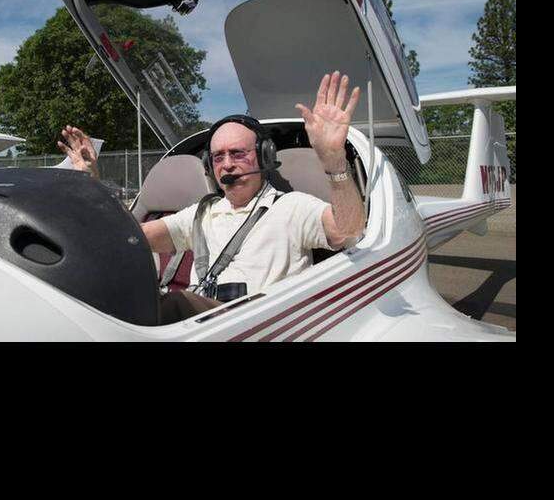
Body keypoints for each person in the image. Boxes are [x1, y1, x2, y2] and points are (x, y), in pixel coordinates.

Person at [58, 71, 367, 323]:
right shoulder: (202, 213)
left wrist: (333, 160)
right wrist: (90, 181)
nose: (227, 164)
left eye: (238, 153)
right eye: (218, 157)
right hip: (200, 328)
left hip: (256, 326)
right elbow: (130, 237)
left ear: (264, 157)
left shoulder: (291, 207)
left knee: (172, 305)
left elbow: (348, 231)